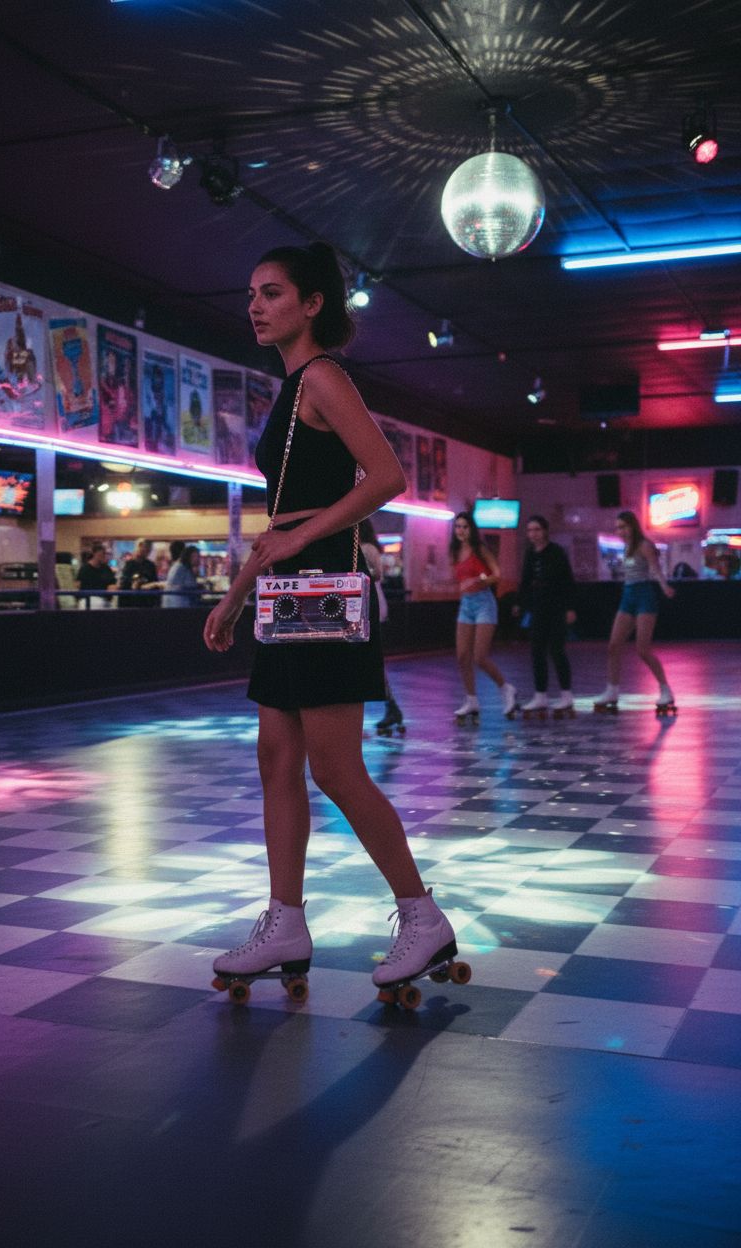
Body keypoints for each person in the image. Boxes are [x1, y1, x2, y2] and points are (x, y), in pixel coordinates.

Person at [203, 241, 457, 995]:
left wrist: (298, 542)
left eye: (273, 292)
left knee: (334, 766)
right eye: (251, 292)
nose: (256, 305)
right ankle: (285, 921)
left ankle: (421, 916)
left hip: (321, 587)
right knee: (277, 762)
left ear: (312, 304)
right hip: (286, 589)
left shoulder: (322, 376)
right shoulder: (289, 388)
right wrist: (237, 591)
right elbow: (284, 514)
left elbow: (386, 476)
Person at [594, 509, 675, 711]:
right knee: (613, 645)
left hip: (644, 597)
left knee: (642, 649)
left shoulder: (643, 545)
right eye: (617, 528)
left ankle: (665, 689)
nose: (620, 531)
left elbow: (655, 568)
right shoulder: (626, 547)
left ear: (632, 526)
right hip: (628, 596)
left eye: (623, 527)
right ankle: (612, 689)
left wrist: (664, 586)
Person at [450, 511, 517, 719]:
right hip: (466, 604)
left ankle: (506, 688)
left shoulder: (480, 549)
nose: (460, 531)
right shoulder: (455, 551)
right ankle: (471, 700)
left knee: (479, 656)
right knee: (462, 655)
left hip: (484, 602)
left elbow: (496, 574)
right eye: (458, 527)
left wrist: (478, 581)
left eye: (465, 527)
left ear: (472, 529)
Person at [516, 515, 577, 715]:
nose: (533, 534)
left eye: (537, 530)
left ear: (545, 531)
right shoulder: (529, 554)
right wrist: (521, 604)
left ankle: (566, 695)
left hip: (556, 607)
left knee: (557, 650)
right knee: (536, 651)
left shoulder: (556, 552)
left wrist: (569, 608)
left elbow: (567, 580)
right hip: (537, 608)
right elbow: (525, 581)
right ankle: (540, 695)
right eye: (530, 530)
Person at [359, 517, 404, 735]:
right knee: (369, 659)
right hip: (366, 604)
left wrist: (359, 573)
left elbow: (378, 574)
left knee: (368, 659)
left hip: (370, 604)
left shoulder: (367, 548)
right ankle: (391, 706)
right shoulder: (363, 547)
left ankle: (390, 706)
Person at [160, 541, 202, 608]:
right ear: (188, 556)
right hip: (177, 604)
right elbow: (183, 585)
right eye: (195, 556)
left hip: (175, 603)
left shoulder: (182, 567)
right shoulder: (180, 568)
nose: (197, 559)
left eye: (198, 556)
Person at [119, 539, 158, 607]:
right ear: (138, 547)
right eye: (144, 549)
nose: (146, 553)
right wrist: (132, 584)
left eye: (148, 551)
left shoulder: (150, 566)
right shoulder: (128, 564)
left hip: (146, 602)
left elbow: (154, 582)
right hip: (130, 602)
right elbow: (123, 583)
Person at [77, 543, 117, 609]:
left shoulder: (106, 569)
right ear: (94, 554)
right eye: (101, 555)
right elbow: (78, 585)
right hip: (88, 599)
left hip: (104, 600)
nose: (103, 557)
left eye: (104, 554)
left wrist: (113, 588)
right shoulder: (85, 569)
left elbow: (112, 584)